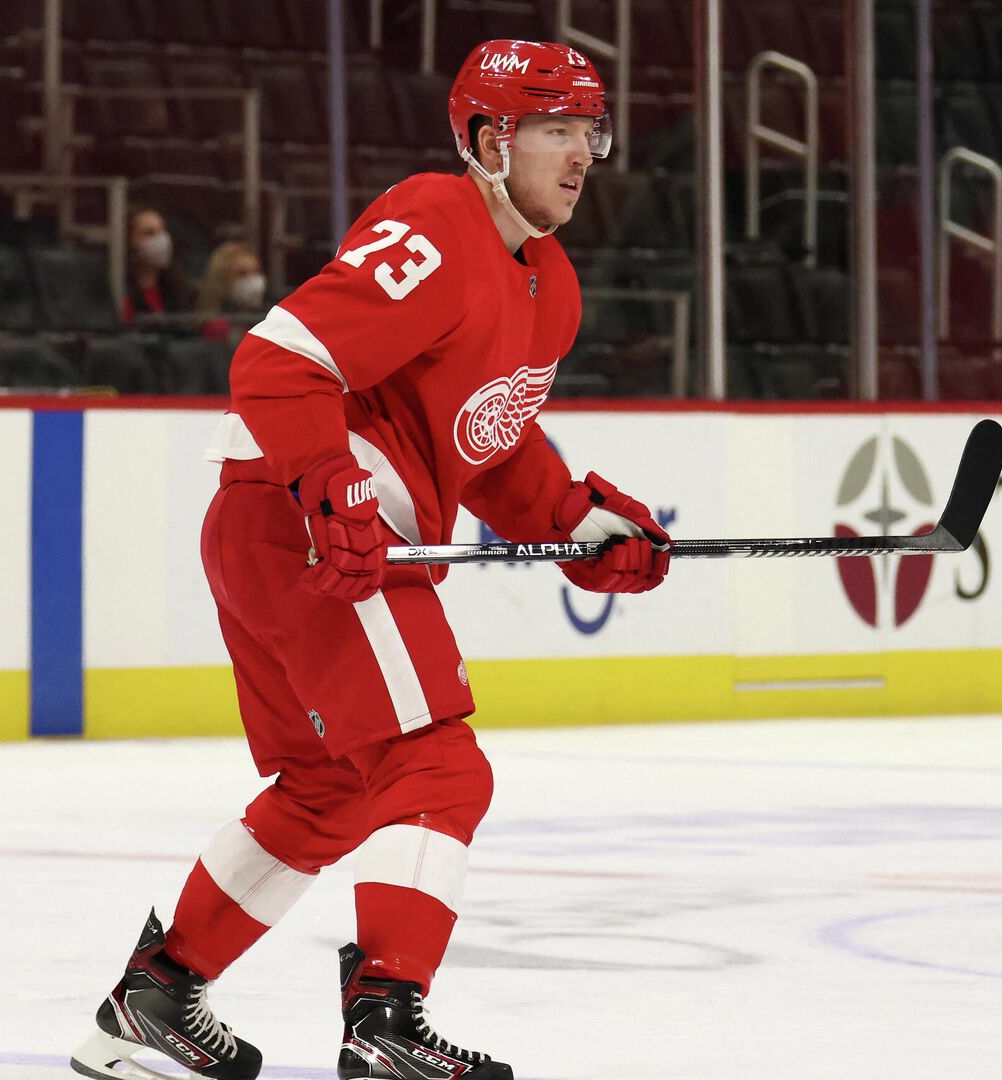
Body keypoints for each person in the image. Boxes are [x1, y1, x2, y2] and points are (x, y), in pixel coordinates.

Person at [71, 40, 669, 1080]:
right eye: (554, 130)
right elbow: (280, 360)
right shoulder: (439, 221)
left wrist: (576, 522)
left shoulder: (550, 285)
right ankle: (387, 1021)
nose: (582, 155)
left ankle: (152, 999)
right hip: (306, 529)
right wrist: (324, 481)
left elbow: (486, 443)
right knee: (435, 767)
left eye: (589, 131)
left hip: (285, 532)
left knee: (327, 790)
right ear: (489, 141)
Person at [124, 207, 198, 324]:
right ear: (129, 240)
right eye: (149, 233)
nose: (161, 240)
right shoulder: (122, 291)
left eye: (162, 231)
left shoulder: (181, 290)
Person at [196, 242, 269, 342]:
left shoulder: (268, 321)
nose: (253, 280)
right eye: (242, 274)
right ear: (221, 280)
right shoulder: (216, 327)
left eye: (256, 271)